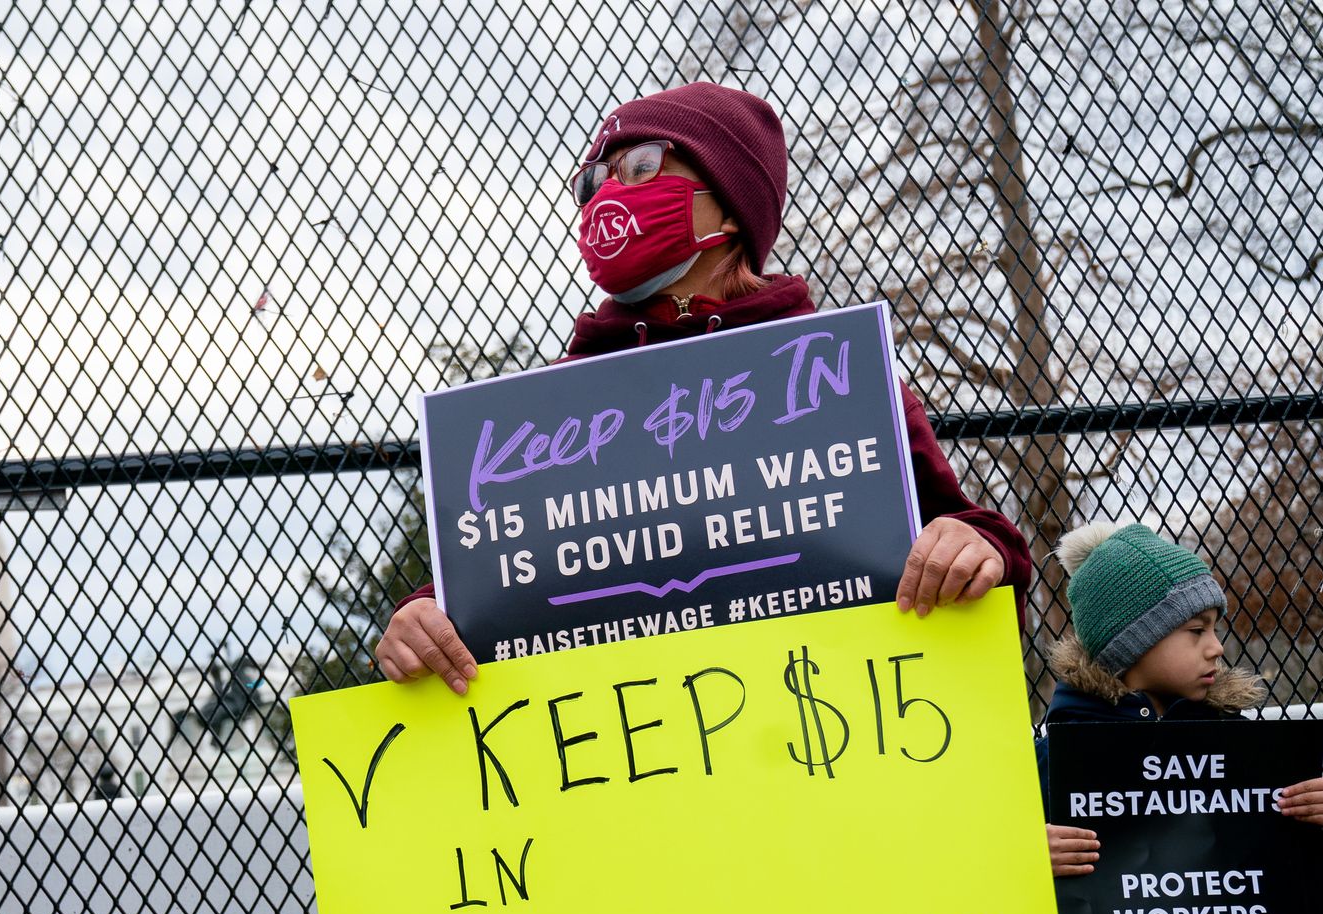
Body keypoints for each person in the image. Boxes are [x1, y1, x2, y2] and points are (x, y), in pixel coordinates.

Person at [373, 82, 1032, 693]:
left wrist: (979, 547)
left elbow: (970, 531)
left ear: (732, 202)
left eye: (642, 167)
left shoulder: (839, 373)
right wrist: (423, 618)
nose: (609, 196)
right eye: (595, 181)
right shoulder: (549, 412)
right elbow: (498, 584)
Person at [1037, 522, 1323, 877]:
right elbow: (995, 862)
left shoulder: (1242, 742)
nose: (1217, 647)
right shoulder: (1056, 759)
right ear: (1132, 642)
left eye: (1215, 629)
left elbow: (1282, 851)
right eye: (1197, 630)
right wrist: (1026, 855)